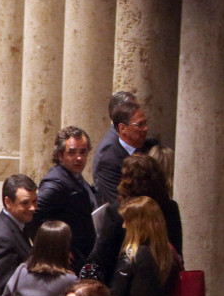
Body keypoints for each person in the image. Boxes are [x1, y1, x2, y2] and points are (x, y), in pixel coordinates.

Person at [84, 153, 183, 283]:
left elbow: (102, 257)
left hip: (125, 283)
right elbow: (176, 252)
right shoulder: (170, 208)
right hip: (163, 282)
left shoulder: (117, 212)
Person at [34, 127, 97, 269]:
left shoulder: (74, 175)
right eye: (72, 153)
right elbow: (33, 215)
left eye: (83, 152)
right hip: (69, 259)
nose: (79, 158)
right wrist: (52, 247)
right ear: (60, 155)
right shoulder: (55, 183)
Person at [0, 174, 38, 289]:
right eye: (25, 203)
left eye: (34, 201)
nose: (33, 208)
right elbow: (4, 288)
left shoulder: (18, 223)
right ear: (8, 202)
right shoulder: (3, 240)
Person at [93, 92, 146, 207]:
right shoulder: (108, 156)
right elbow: (117, 203)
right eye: (140, 124)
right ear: (122, 127)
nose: (146, 128)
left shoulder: (148, 147)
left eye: (145, 123)